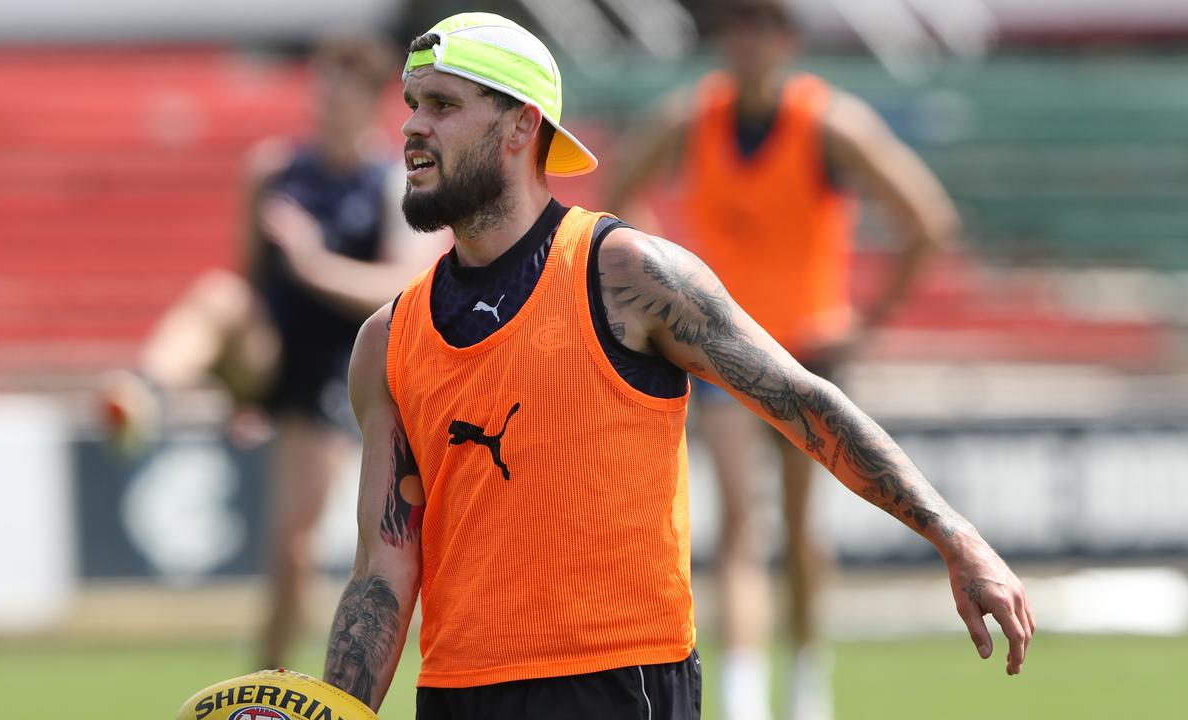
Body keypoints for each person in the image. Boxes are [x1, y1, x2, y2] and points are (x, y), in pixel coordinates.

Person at [322, 12, 1031, 720]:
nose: (413, 125)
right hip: (454, 696)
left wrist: (955, 537)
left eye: (443, 105)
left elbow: (804, 402)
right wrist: (340, 710)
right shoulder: (386, 341)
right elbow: (382, 571)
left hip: (619, 687)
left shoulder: (627, 275)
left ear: (520, 127)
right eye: (414, 104)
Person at [605, 2, 961, 717]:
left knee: (801, 533)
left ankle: (805, 683)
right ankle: (742, 694)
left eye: (757, 26)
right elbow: (617, 196)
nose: (743, 42)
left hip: (810, 353)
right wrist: (664, 289)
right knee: (739, 520)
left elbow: (928, 221)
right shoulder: (690, 118)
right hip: (724, 352)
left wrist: (867, 321)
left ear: (785, 40)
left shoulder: (831, 123)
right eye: (732, 26)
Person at [99, 30, 444, 670]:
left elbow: (403, 284)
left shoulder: (388, 183)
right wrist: (239, 390)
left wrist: (314, 262)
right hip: (270, 353)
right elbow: (250, 278)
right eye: (322, 90)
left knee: (291, 545)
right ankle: (145, 391)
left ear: (369, 100)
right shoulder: (273, 168)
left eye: (341, 92)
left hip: (338, 371)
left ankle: (269, 677)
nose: (326, 103)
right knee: (217, 295)